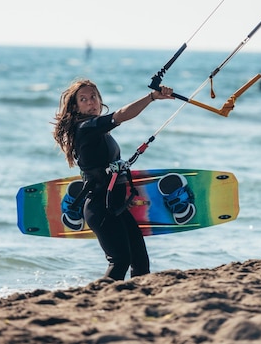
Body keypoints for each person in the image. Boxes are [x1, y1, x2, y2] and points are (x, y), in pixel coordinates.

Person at [52, 79, 174, 280]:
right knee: (119, 261)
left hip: (116, 206)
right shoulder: (85, 127)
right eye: (84, 99)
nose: (91, 102)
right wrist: (152, 97)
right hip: (100, 207)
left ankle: (134, 302)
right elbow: (121, 115)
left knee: (140, 261)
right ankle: (96, 301)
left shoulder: (97, 130)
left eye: (94, 97)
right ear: (75, 106)